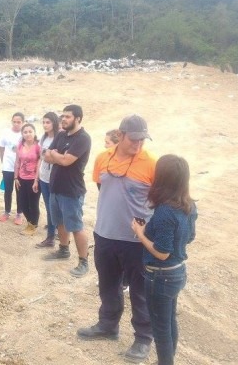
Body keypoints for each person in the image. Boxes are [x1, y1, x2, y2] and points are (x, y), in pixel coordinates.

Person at [77, 115, 156, 362]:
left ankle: (143, 338)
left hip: (136, 241)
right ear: (120, 135)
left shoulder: (151, 163)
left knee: (140, 291)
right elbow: (104, 188)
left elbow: (159, 200)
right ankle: (108, 325)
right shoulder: (103, 158)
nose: (139, 144)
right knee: (108, 284)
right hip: (105, 235)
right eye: (134, 139)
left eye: (143, 139)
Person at [132, 154, 196, 365]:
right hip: (177, 273)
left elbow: (162, 252)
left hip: (161, 275)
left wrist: (140, 233)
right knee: (168, 322)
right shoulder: (189, 205)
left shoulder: (164, 211)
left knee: (160, 329)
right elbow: (190, 237)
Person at [41, 104, 92, 277]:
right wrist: (57, 156)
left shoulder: (83, 138)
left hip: (72, 190)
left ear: (78, 118)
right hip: (55, 186)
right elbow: (46, 156)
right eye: (62, 116)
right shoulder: (62, 135)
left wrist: (56, 156)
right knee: (60, 222)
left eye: (68, 117)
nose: (63, 119)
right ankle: (63, 250)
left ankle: (83, 261)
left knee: (76, 226)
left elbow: (66, 161)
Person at [35, 112, 60, 247]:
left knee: (53, 207)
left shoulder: (58, 138)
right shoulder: (43, 138)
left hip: (54, 178)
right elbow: (41, 157)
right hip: (44, 176)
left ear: (54, 123)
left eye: (48, 122)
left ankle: (51, 236)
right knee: (49, 207)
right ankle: (52, 232)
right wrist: (37, 177)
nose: (45, 125)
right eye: (44, 122)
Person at [14, 123, 41, 234]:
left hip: (33, 179)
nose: (28, 134)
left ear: (34, 132)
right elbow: (17, 162)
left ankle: (32, 226)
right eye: (25, 132)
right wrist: (16, 177)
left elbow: (40, 163)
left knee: (33, 203)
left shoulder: (38, 146)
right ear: (22, 134)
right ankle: (31, 223)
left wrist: (36, 180)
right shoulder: (20, 145)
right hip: (21, 178)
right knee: (22, 203)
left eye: (30, 131)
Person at [0, 112, 25, 224]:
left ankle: (19, 213)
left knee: (20, 190)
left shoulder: (25, 134)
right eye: (14, 121)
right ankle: (7, 211)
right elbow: (1, 147)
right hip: (8, 166)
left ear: (23, 122)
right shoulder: (6, 133)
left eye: (19, 122)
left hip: (21, 167)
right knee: (8, 190)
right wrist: (3, 161)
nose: (16, 124)